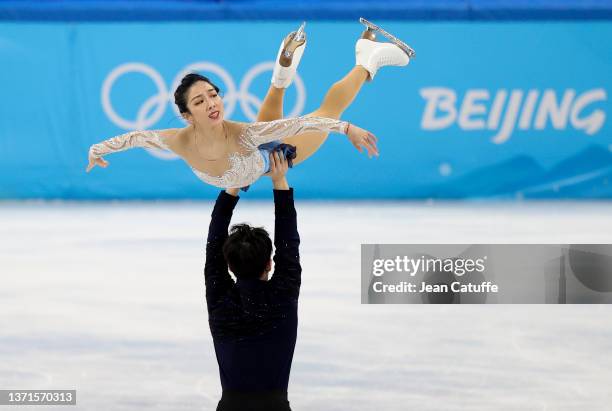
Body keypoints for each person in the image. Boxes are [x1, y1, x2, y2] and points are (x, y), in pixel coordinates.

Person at [86, 18, 413, 190]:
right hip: (259, 152)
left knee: (326, 113)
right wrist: (98, 149)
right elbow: (136, 137)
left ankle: (367, 61)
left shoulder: (242, 133)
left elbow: (301, 124)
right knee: (279, 120)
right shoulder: (176, 140)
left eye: (213, 94)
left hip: (270, 157)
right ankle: (283, 75)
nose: (212, 102)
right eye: (200, 101)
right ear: (186, 115)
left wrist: (347, 128)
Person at [205, 151, 299, 410]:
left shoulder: (220, 301)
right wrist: (279, 181)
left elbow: (213, 247)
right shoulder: (282, 296)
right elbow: (288, 244)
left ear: (229, 265)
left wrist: (233, 184)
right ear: (269, 263)